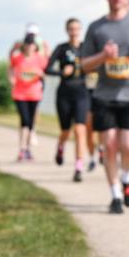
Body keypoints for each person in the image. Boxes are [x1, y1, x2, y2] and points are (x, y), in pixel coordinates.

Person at [80, 0, 129, 214]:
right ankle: (115, 195)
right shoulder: (96, 27)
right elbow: (84, 65)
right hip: (105, 96)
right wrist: (103, 57)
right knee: (109, 145)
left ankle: (127, 178)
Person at [46, 18, 93, 181]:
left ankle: (78, 168)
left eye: (77, 29)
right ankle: (60, 146)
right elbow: (47, 69)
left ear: (80, 30)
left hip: (81, 92)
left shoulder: (86, 48)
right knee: (66, 131)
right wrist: (61, 72)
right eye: (71, 29)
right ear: (67, 30)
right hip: (64, 92)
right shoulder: (61, 48)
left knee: (80, 130)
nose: (74, 32)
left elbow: (95, 65)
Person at [9, 33, 49, 161]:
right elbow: (10, 66)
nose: (29, 46)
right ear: (24, 45)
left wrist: (40, 73)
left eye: (31, 44)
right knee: (24, 120)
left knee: (30, 122)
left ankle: (27, 149)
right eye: (27, 44)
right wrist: (11, 78)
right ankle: (22, 149)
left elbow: (46, 71)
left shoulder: (39, 58)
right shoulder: (18, 58)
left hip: (35, 93)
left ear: (34, 46)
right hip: (20, 94)